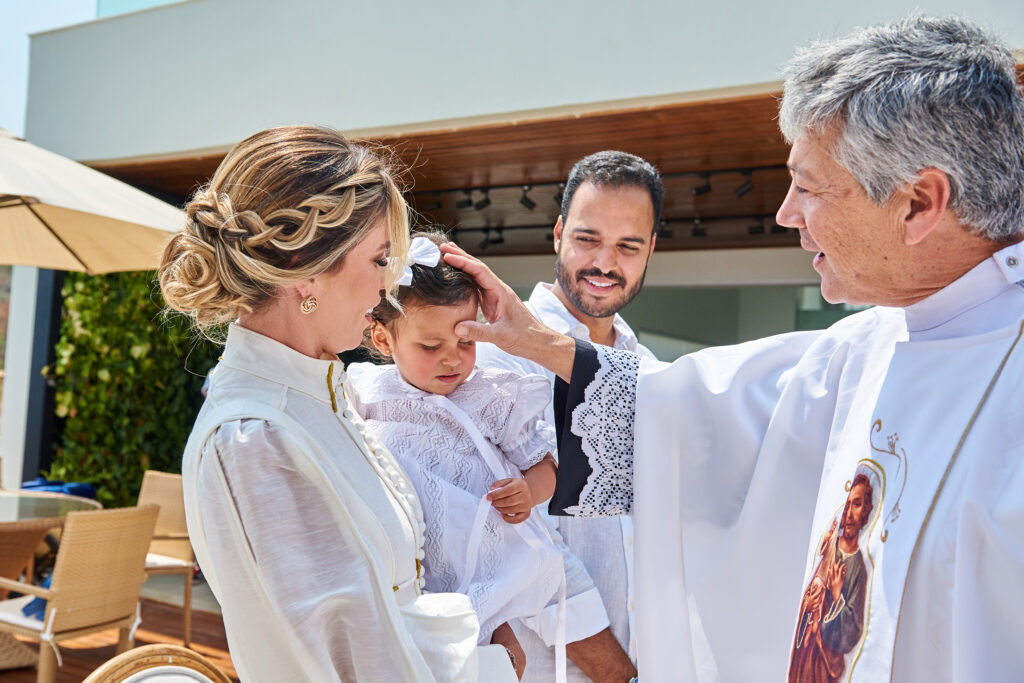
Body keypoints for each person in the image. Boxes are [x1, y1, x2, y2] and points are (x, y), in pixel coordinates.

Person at [442, 15, 1024, 682]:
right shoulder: (866, 345)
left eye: (808, 185)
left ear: (919, 202)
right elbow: (687, 413)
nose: (785, 212)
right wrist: (539, 341)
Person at [158, 126, 516, 682]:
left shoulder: (321, 395)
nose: (388, 287)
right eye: (378, 260)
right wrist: (494, 668)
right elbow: (347, 663)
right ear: (307, 268)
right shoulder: (256, 437)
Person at [475, 150, 662, 682]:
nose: (605, 263)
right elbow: (518, 544)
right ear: (557, 233)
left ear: (651, 250)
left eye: (627, 245)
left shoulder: (646, 371)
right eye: (587, 239)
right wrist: (617, 675)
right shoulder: (498, 361)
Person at [347, 231, 564, 659]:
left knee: (502, 657)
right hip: (403, 565)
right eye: (431, 346)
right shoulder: (367, 392)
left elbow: (545, 465)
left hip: (477, 566)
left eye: (467, 343)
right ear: (384, 340)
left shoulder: (490, 398)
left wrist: (529, 491)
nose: (453, 358)